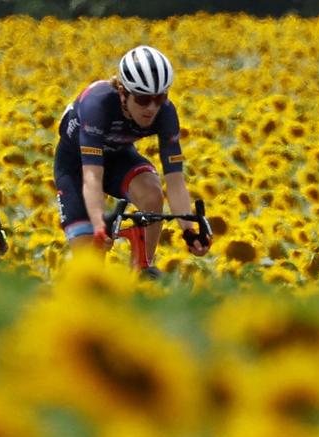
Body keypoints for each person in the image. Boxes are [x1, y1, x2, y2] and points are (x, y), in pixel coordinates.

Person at [53, 45, 210, 277]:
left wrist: (188, 230)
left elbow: (175, 181)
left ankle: (142, 270)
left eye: (160, 98)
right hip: (76, 166)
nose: (152, 108)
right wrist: (98, 226)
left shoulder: (165, 114)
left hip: (118, 157)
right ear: (123, 93)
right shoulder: (98, 105)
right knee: (90, 266)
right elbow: (92, 176)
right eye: (143, 99)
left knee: (152, 193)